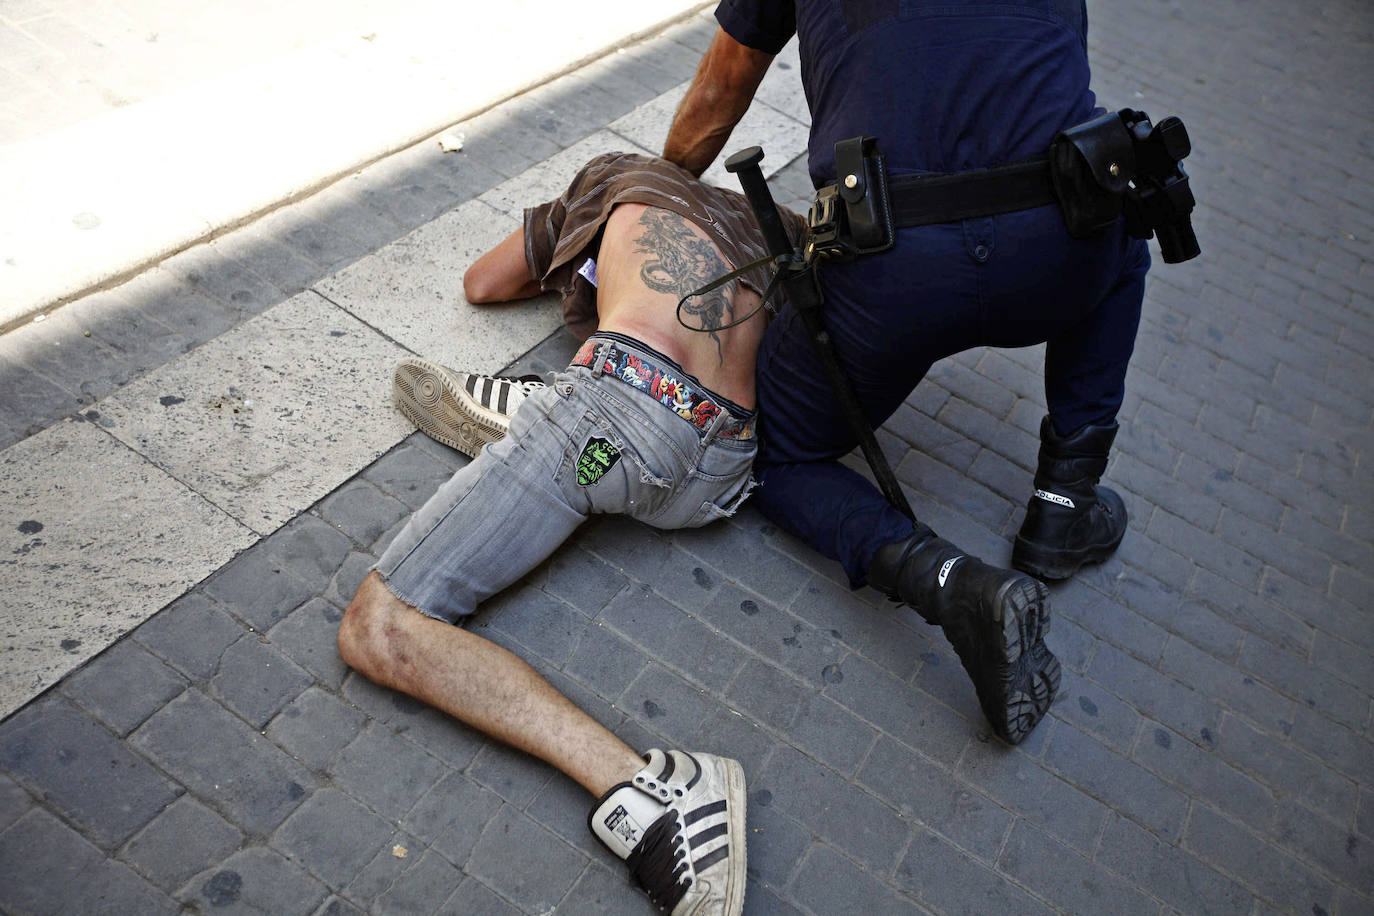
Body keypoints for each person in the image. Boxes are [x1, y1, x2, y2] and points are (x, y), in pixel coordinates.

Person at [658, 1, 1152, 744]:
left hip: (894, 266)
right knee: (1124, 243)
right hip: (1059, 238)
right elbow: (1051, 65)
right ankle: (1065, 504)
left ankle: (951, 586)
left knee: (773, 447)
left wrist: (653, 197)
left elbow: (721, 90)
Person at [338, 151, 805, 916]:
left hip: (619, 414)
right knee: (594, 446)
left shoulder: (618, 176)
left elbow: (483, 284)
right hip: (723, 467)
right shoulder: (772, 222)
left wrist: (576, 244)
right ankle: (536, 421)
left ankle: (659, 795)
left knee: (378, 628)